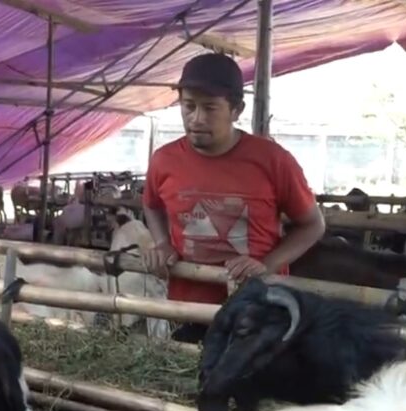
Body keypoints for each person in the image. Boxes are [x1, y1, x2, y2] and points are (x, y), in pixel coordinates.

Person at [140, 52, 326, 343]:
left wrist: (267, 262)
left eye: (210, 108)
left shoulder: (273, 161)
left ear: (237, 109)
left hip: (259, 308)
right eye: (188, 106)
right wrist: (162, 243)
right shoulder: (164, 160)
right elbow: (150, 204)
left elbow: (313, 225)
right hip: (189, 307)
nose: (196, 118)